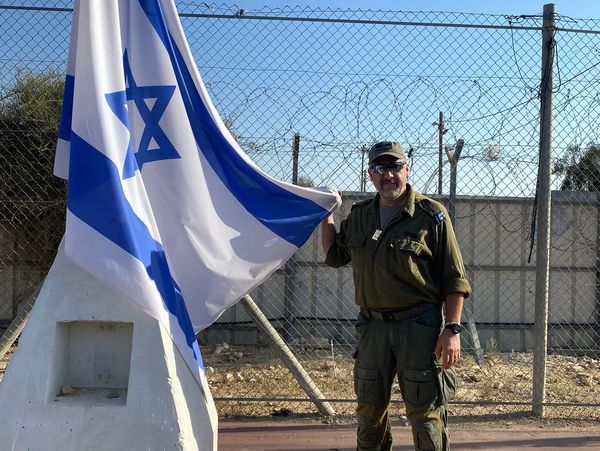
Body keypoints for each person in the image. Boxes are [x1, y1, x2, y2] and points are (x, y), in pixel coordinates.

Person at [321, 141, 471, 451]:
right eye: (379, 168)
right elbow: (336, 255)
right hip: (372, 328)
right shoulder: (361, 215)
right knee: (369, 412)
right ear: (370, 175)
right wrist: (326, 216)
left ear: (407, 170)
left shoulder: (431, 216)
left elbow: (454, 278)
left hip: (419, 327)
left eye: (394, 167)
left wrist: (452, 329)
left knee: (424, 412)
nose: (387, 175)